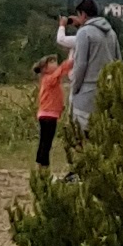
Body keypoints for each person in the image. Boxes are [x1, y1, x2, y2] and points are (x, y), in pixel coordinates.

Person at [59, 0, 119, 153]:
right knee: (103, 131)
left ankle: (84, 161)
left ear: (83, 14)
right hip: (107, 87)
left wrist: (75, 87)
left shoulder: (84, 33)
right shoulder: (111, 33)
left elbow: (81, 64)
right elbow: (118, 60)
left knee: (80, 132)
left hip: (87, 89)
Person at [34, 39, 72, 171]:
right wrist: (70, 61)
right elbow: (61, 71)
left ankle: (40, 164)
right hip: (49, 115)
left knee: (44, 141)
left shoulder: (50, 80)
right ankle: (44, 166)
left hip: (47, 114)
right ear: (44, 68)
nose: (55, 63)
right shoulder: (49, 79)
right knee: (46, 142)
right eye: (51, 62)